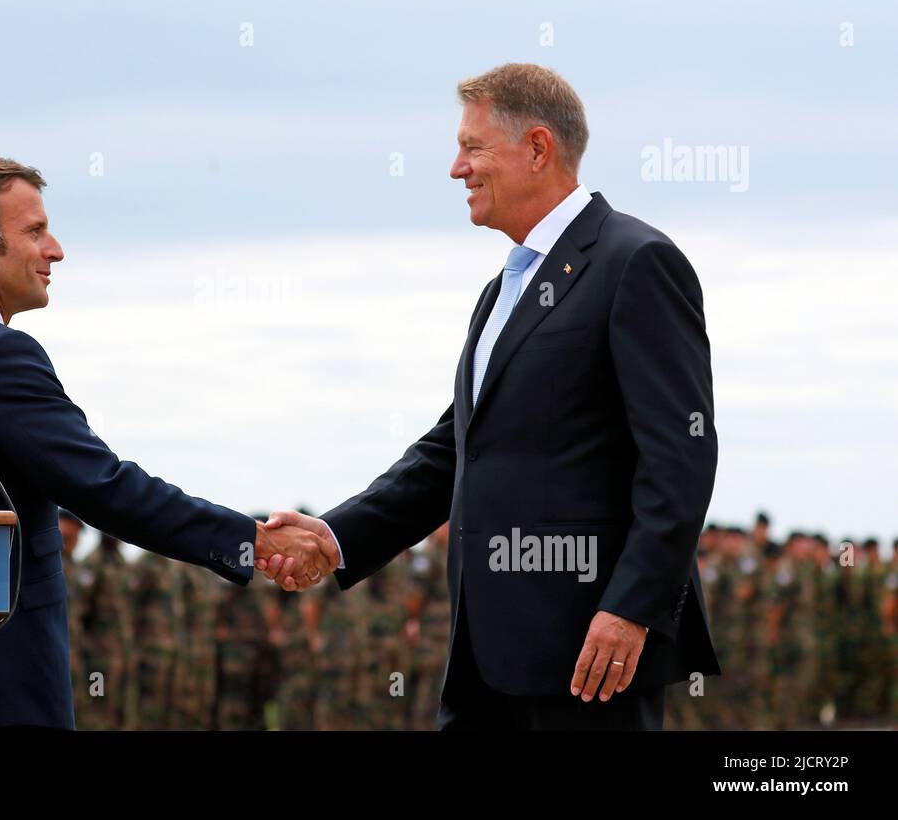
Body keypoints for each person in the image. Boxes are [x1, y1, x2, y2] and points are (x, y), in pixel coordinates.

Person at [262, 63, 720, 730]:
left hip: (587, 659)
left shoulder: (635, 262)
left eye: (472, 148)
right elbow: (458, 450)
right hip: (484, 660)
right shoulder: (501, 289)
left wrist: (632, 607)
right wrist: (338, 535)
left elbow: (681, 457)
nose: (457, 168)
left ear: (538, 148)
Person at [0, 158, 336, 728]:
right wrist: (247, 540)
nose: (55, 250)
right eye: (34, 231)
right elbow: (105, 488)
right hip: (0, 686)